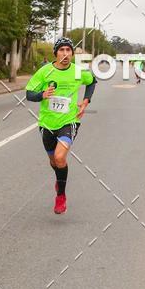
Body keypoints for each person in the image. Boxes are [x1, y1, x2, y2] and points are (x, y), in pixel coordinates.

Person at [25, 37, 96, 214]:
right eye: (62, 50)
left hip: (69, 121)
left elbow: (92, 82)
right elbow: (29, 94)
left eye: (68, 50)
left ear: (72, 53)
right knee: (53, 161)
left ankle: (61, 196)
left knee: (59, 157)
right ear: (55, 53)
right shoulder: (44, 72)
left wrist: (85, 102)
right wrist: (42, 94)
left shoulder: (78, 72)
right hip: (47, 123)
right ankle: (59, 177)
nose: (65, 54)